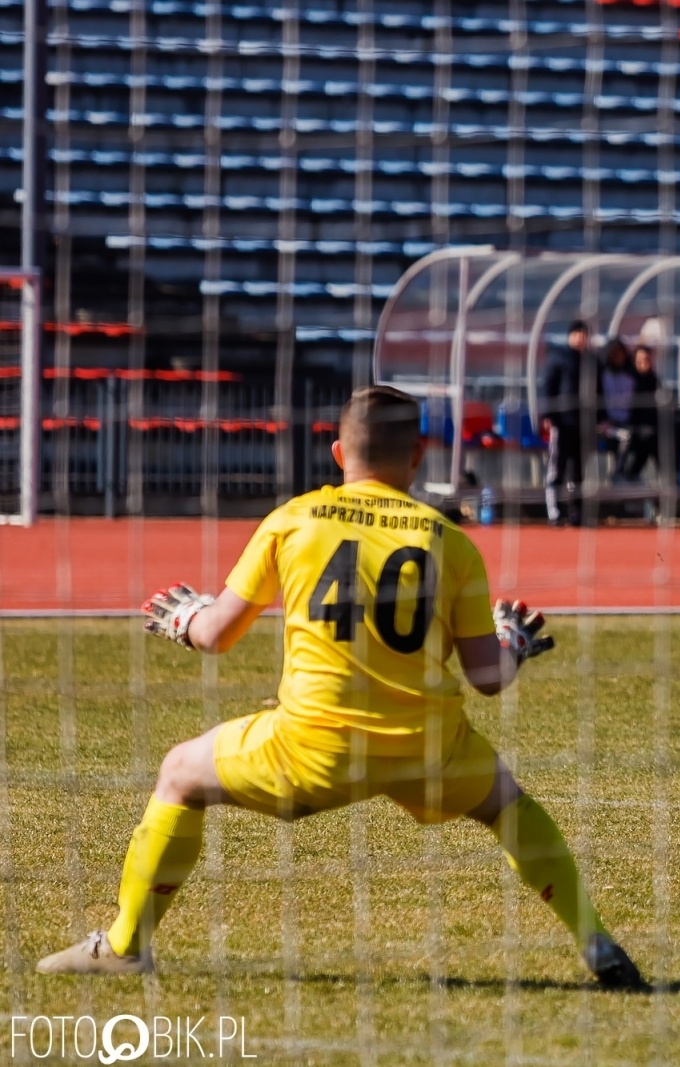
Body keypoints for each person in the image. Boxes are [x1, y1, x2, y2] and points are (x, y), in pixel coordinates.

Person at [36, 386, 643, 987]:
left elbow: (216, 635)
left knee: (178, 774)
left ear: (337, 452)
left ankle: (125, 946)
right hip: (428, 747)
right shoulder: (450, 542)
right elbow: (487, 678)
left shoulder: (293, 520)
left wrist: (186, 618)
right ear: (418, 455)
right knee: (509, 805)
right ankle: (594, 939)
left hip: (313, 748)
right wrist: (511, 641)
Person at [541, 320, 592, 525]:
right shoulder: (558, 358)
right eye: (577, 334)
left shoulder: (591, 362)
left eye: (583, 334)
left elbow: (599, 392)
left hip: (583, 424)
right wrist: (548, 415)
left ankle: (577, 512)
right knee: (557, 468)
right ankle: (554, 511)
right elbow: (548, 386)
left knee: (579, 470)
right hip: (561, 422)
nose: (580, 338)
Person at [621, 344, 666, 482]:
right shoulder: (629, 379)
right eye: (641, 360)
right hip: (631, 422)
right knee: (649, 437)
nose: (644, 363)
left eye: (647, 359)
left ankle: (667, 475)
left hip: (651, 423)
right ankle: (631, 473)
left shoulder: (654, 380)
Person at [598, 337, 637, 467]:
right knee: (625, 436)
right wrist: (602, 420)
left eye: (620, 354)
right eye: (614, 354)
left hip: (624, 422)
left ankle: (628, 472)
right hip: (605, 424)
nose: (617, 358)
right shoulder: (601, 377)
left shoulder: (629, 379)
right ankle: (618, 471)